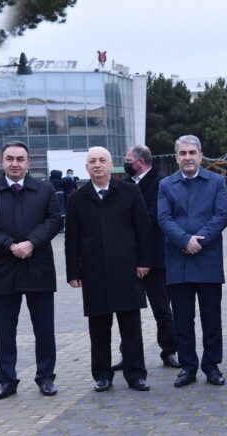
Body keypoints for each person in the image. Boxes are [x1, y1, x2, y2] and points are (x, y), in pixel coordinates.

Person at [65, 147, 152, 392]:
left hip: (127, 270)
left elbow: (143, 229)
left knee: (131, 327)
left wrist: (144, 261)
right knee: (99, 328)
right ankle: (102, 375)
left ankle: (136, 374)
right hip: (94, 272)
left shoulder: (129, 192)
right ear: (86, 167)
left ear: (111, 165)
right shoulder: (76, 199)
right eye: (92, 161)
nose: (97, 164)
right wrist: (73, 272)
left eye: (102, 160)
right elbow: (72, 238)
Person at [158, 135, 227, 387]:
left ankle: (212, 365)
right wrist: (184, 240)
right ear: (176, 156)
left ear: (201, 155)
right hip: (178, 261)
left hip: (207, 258)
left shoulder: (217, 182)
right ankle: (188, 367)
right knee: (182, 319)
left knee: (212, 318)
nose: (187, 158)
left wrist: (199, 240)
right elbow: (164, 218)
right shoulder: (166, 185)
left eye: (192, 153)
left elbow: (222, 215)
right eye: (182, 153)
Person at [0, 141, 62, 400]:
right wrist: (9, 245)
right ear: (2, 161)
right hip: (2, 269)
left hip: (38, 267)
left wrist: (31, 242)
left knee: (44, 328)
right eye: (10, 158)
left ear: (28, 163)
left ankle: (46, 378)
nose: (14, 163)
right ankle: (7, 380)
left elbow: (54, 220)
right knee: (4, 330)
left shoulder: (44, 189)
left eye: (20, 159)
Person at [110, 145, 179, 371]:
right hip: (128, 257)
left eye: (128, 160)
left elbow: (155, 215)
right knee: (127, 308)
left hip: (156, 257)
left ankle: (169, 351)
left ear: (140, 162)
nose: (125, 163)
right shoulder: (124, 185)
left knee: (162, 308)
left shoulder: (162, 182)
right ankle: (127, 354)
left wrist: (127, 226)